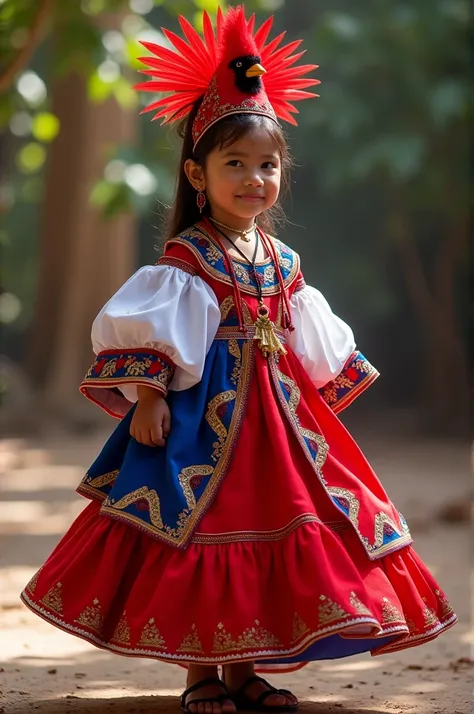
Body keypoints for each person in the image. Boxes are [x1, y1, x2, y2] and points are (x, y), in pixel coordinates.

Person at [21, 7, 457, 714]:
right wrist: (151, 397)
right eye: (235, 164)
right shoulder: (188, 259)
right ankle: (200, 674)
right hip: (204, 425)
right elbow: (157, 332)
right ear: (197, 172)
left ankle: (245, 669)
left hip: (278, 428)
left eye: (268, 165)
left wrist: (312, 388)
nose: (254, 179)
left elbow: (306, 338)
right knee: (203, 530)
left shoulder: (282, 260)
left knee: (273, 524)